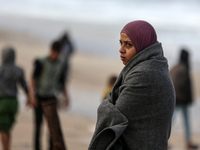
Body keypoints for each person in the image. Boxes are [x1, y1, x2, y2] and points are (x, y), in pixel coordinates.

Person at [88, 20, 175, 150]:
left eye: (128, 44)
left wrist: (105, 105)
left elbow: (116, 115)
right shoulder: (155, 66)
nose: (121, 50)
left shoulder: (146, 74)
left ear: (143, 46)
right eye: (121, 43)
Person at [29, 41, 69, 150]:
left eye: (57, 53)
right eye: (53, 52)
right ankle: (36, 147)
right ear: (50, 50)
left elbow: (62, 82)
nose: (54, 55)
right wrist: (31, 96)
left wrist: (66, 97)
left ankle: (51, 147)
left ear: (60, 53)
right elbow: (33, 79)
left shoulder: (61, 64)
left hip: (51, 97)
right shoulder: (41, 61)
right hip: (39, 96)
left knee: (52, 126)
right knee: (38, 125)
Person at [0, 47, 29, 150]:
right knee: (7, 128)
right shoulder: (18, 70)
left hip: (2, 102)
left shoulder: (1, 70)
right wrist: (30, 98)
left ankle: (5, 148)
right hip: (13, 102)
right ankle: (7, 147)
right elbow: (25, 86)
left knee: (3, 129)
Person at [170, 49, 198, 149]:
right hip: (181, 99)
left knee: (171, 120)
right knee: (185, 121)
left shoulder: (174, 68)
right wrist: (190, 100)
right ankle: (188, 142)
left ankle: (164, 140)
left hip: (172, 97)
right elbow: (186, 87)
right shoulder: (184, 69)